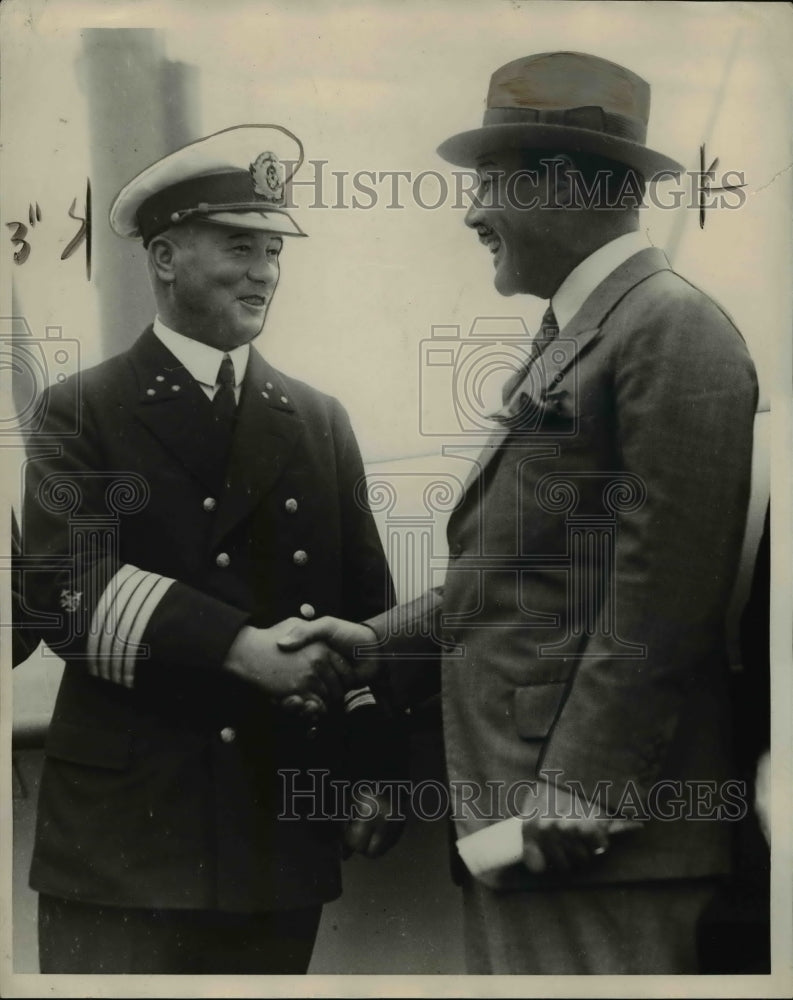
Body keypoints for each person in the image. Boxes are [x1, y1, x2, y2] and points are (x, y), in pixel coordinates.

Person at [279, 53, 759, 973]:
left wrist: (582, 786)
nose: (471, 212)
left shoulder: (670, 328)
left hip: (591, 838)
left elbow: (666, 593)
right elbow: (525, 579)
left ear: (564, 182)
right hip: (529, 825)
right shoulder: (591, 333)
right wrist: (380, 644)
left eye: (489, 182)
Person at [20, 125, 403, 974]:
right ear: (163, 257)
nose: (264, 271)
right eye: (239, 247)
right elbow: (63, 589)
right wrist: (238, 651)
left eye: (273, 250)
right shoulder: (79, 408)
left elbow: (367, 611)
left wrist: (376, 769)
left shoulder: (318, 418)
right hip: (123, 842)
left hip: (274, 834)